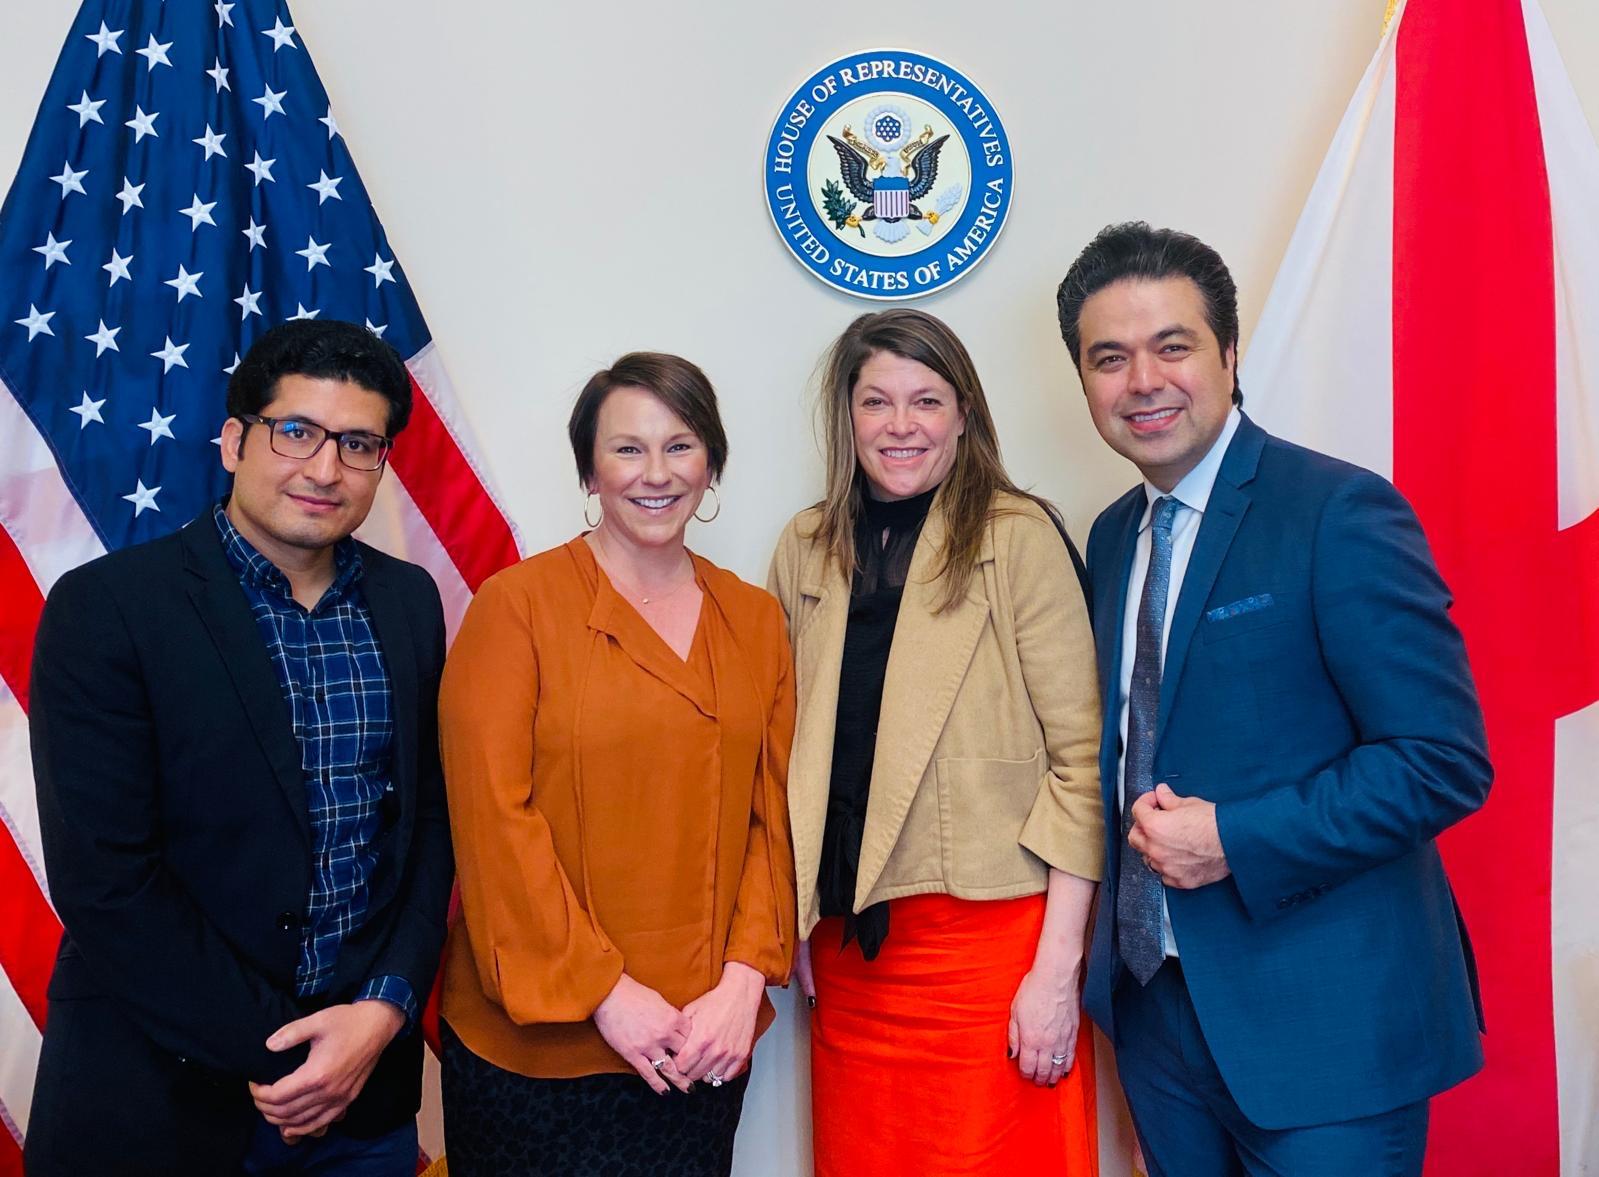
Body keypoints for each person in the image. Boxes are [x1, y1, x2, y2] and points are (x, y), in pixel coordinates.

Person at [1056, 221, 1491, 1175]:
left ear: (1229, 353)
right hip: (1157, 1019)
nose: (1143, 380)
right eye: (1109, 357)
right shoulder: (1111, 539)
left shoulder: (1335, 510)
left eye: (1172, 345)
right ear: (1083, 381)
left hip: (1325, 1027)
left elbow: (1440, 759)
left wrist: (1235, 838)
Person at [26, 319, 455, 1176]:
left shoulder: (409, 602)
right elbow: (106, 879)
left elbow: (428, 831)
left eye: (359, 443)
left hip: (362, 1097)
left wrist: (384, 1007)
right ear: (234, 441)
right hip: (159, 1095)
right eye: (297, 431)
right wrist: (288, 1054)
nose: (325, 468)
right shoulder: (107, 607)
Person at [437, 352, 796, 1177]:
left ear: (711, 463)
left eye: (680, 446)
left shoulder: (755, 617)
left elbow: (774, 814)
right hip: (540, 1050)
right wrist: (605, 992)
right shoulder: (514, 608)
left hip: (704, 1035)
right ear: (588, 471)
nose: (656, 473)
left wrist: (744, 982)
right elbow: (493, 820)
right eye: (627, 449)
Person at [768, 309, 1104, 1176]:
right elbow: (787, 754)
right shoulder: (807, 545)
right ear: (845, 418)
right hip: (849, 953)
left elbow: (1082, 764)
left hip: (989, 947)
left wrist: (1056, 971)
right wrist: (793, 912)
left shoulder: (1016, 536)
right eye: (875, 401)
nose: (900, 424)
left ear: (964, 413)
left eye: (925, 399)